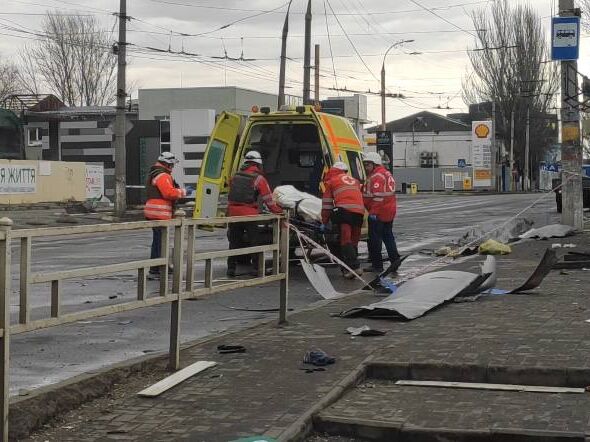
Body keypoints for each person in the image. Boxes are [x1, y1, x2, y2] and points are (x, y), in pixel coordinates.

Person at [226, 150, 282, 277]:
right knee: (254, 241)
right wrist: (279, 212)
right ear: (258, 164)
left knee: (234, 242)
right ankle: (256, 269)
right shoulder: (259, 179)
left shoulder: (235, 176)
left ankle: (230, 269)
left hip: (233, 214)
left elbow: (231, 194)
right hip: (249, 214)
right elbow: (268, 199)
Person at [144, 152, 186, 278]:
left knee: (159, 241)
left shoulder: (155, 173)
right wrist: (183, 191)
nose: (172, 167)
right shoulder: (163, 175)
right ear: (167, 164)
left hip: (153, 212)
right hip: (159, 213)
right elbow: (169, 193)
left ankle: (160, 266)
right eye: (172, 165)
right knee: (159, 242)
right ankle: (156, 269)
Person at [320, 161, 365, 279]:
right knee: (354, 241)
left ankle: (355, 268)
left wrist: (324, 221)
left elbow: (327, 205)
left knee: (345, 240)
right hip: (359, 212)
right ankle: (351, 268)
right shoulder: (355, 181)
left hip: (344, 212)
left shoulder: (332, 181)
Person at [362, 151, 401, 273]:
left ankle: (377, 265)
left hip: (379, 213)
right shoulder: (386, 173)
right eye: (365, 164)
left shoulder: (377, 176)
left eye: (368, 164)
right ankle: (395, 260)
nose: (366, 167)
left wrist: (373, 212)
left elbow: (378, 197)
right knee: (388, 237)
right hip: (388, 211)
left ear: (375, 164)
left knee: (375, 240)